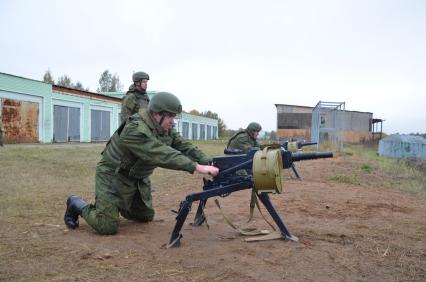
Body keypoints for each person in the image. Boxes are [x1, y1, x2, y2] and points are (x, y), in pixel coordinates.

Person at [64, 92, 219, 235]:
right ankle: (76, 204)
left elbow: (184, 146)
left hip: (137, 178)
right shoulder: (135, 129)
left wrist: (210, 161)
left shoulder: (164, 128)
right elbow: (160, 153)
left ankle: (114, 205)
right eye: (171, 116)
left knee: (145, 216)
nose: (173, 121)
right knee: (107, 226)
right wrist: (196, 167)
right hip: (113, 176)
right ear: (156, 114)